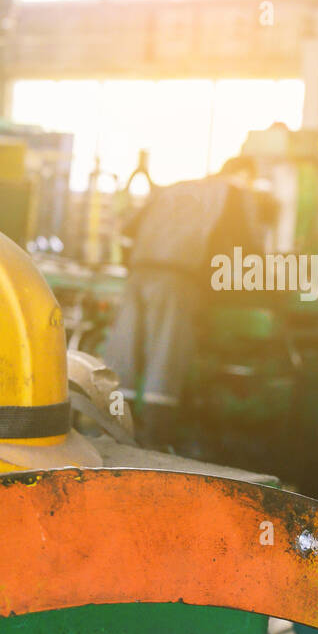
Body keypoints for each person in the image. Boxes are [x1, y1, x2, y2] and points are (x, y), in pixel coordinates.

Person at [101, 155, 266, 448]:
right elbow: (247, 245)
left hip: (139, 272)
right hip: (177, 278)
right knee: (165, 359)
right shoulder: (234, 191)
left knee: (124, 355)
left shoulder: (175, 188)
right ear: (243, 174)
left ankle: (114, 436)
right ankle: (155, 443)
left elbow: (129, 229)